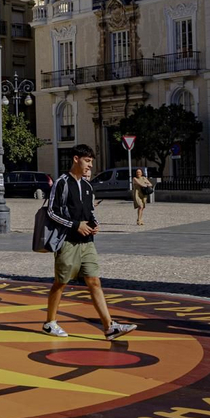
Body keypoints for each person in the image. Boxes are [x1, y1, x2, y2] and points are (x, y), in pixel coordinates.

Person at [43, 144, 138, 340]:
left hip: (88, 242)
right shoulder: (62, 182)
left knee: (94, 281)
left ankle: (109, 327)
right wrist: (75, 225)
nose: (90, 166)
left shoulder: (87, 186)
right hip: (67, 242)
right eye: (87, 161)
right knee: (61, 282)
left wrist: (95, 224)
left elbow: (91, 211)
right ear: (76, 159)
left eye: (91, 162)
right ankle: (50, 323)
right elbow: (51, 211)